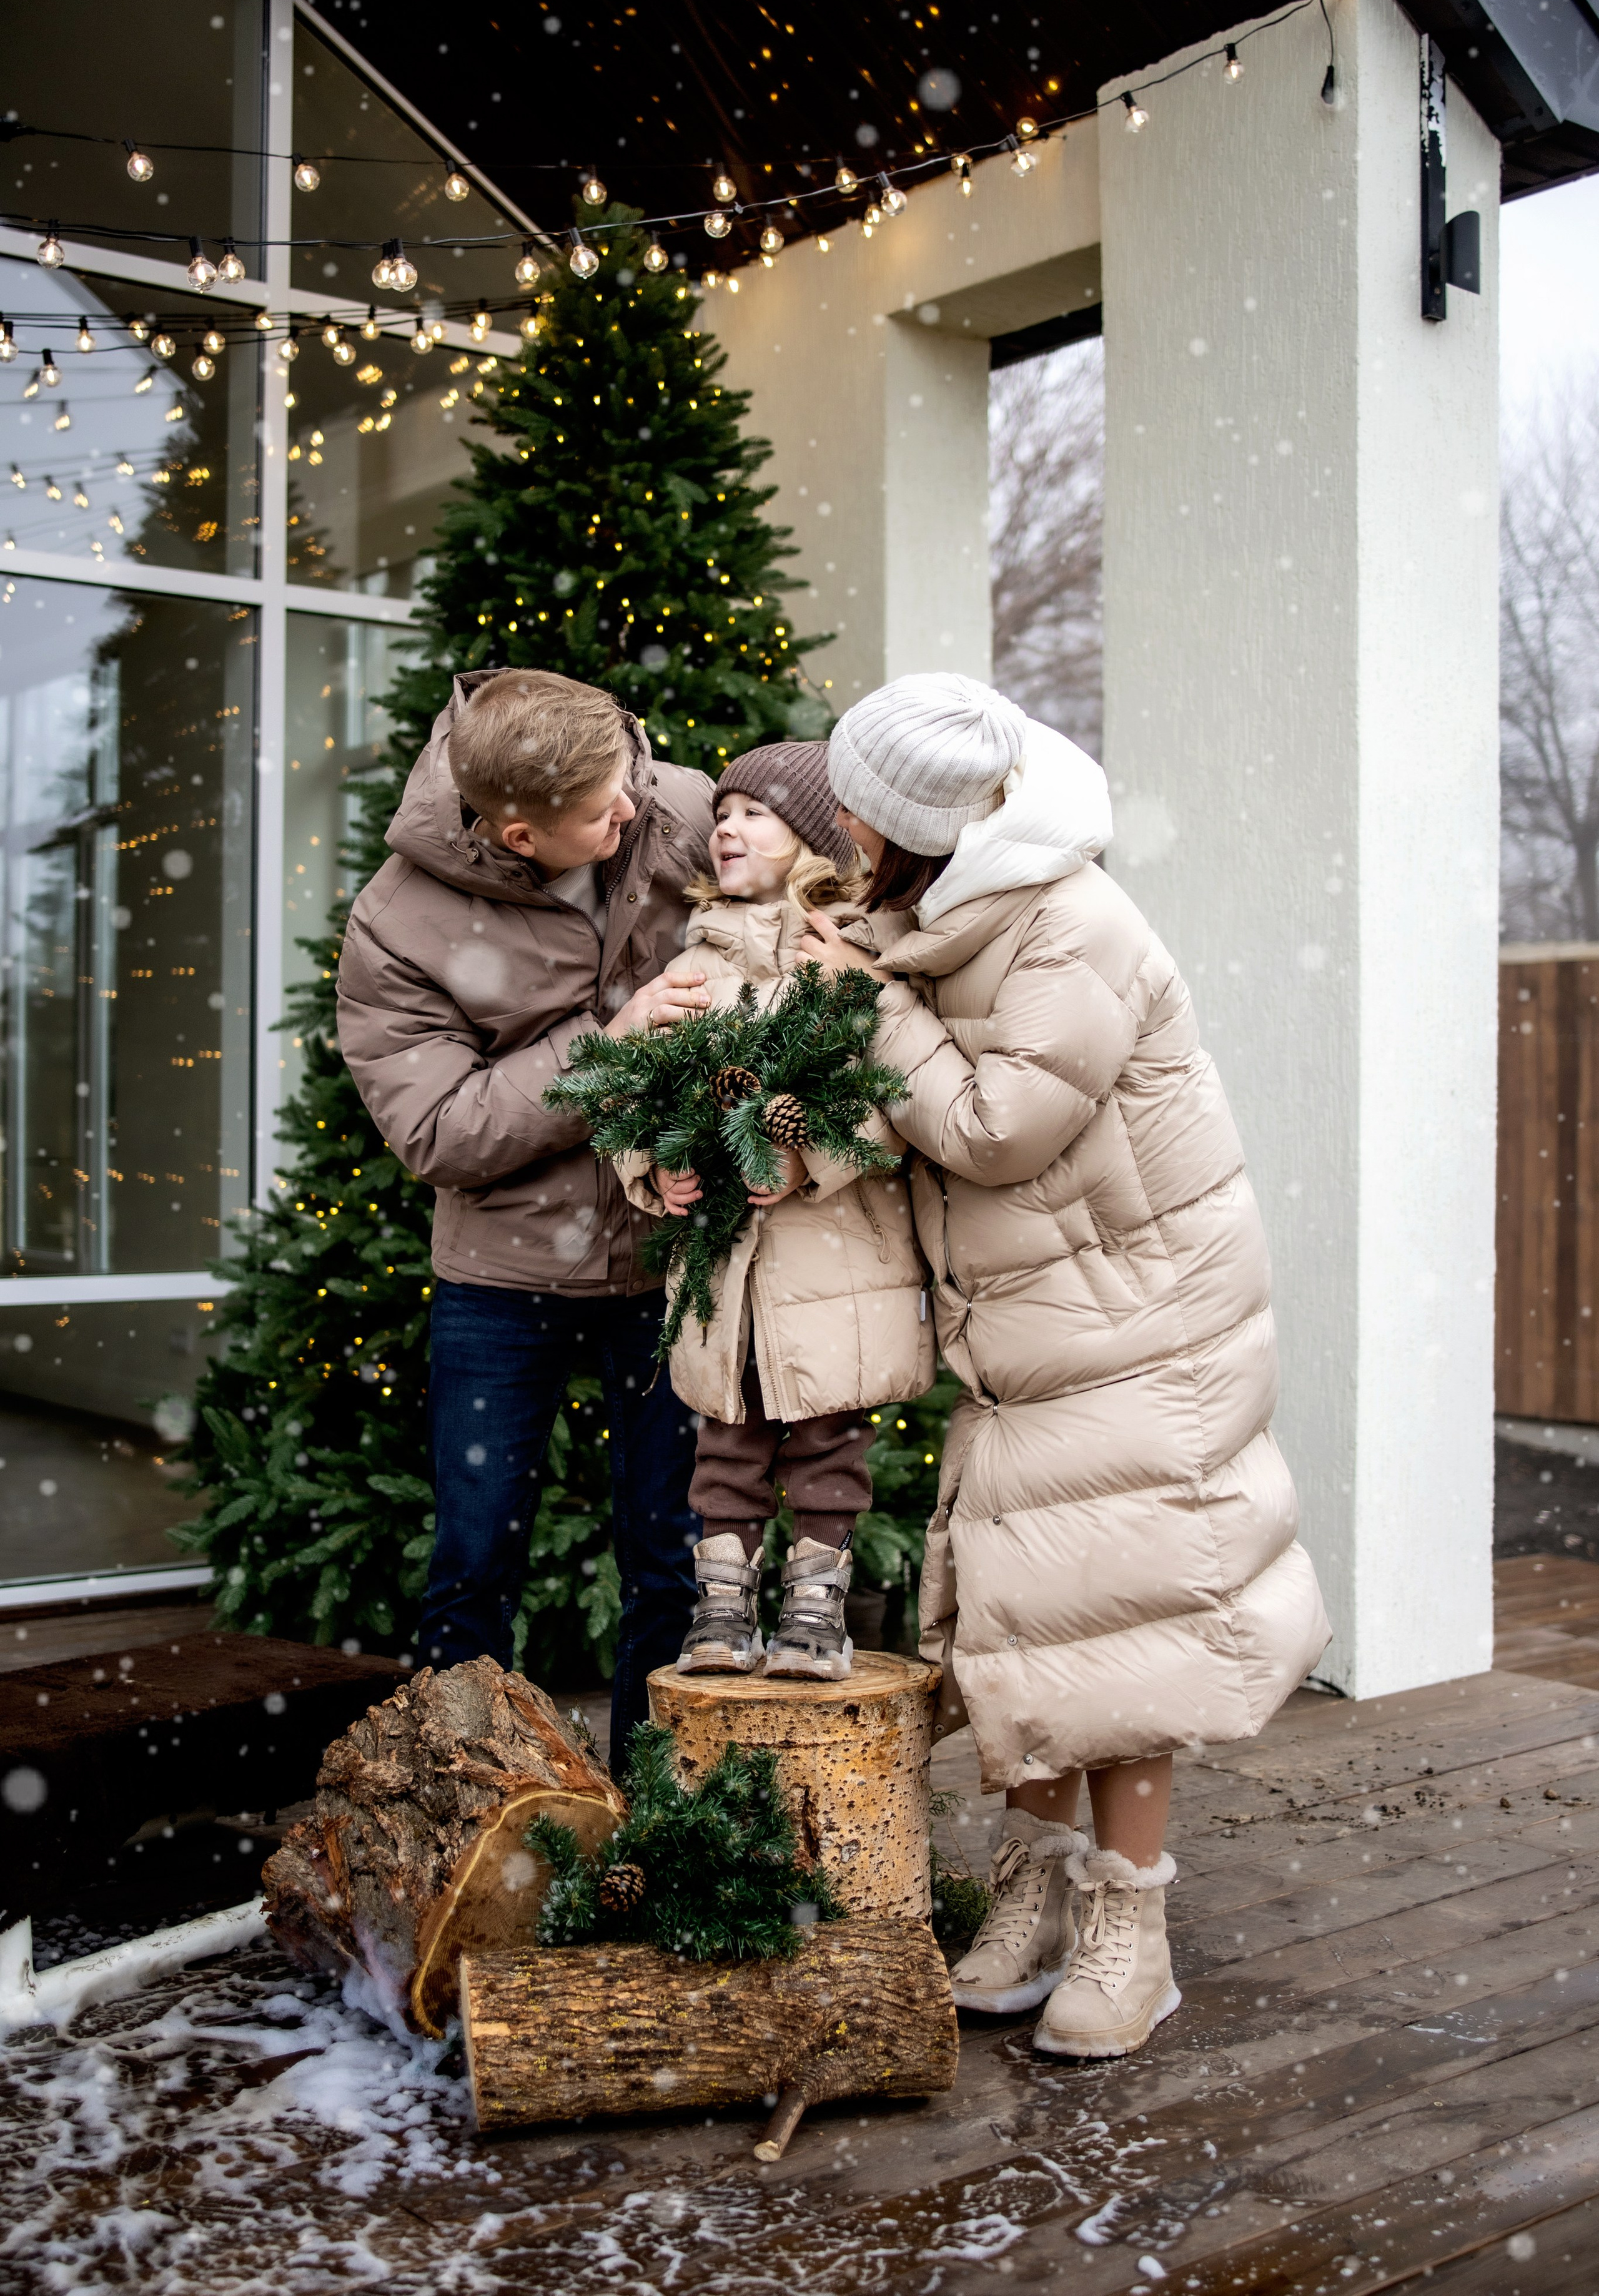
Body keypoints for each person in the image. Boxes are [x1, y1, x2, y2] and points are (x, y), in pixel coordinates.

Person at [799, 673, 1330, 2060]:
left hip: (1136, 1330)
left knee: (1119, 1629)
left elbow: (990, 1129)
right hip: (1039, 1334)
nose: (837, 830)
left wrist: (868, 1004)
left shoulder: (1071, 926)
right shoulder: (957, 898)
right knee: (1035, 1626)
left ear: (911, 823)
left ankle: (1129, 1928)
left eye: (855, 812)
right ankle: (1035, 1896)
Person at [337, 666, 715, 1753]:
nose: (635, 814)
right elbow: (439, 1132)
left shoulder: (673, 803)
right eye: (603, 814)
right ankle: (467, 1803)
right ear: (516, 834)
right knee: (473, 1559)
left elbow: (803, 911)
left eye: (629, 785)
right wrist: (611, 1043)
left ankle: (661, 1811)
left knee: (676, 1552)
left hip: (669, 1257)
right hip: (500, 1284)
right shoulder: (397, 925)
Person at [615, 743, 934, 1678]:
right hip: (724, 1262)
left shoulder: (851, 960)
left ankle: (814, 1607)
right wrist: (657, 1172)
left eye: (756, 812)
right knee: (726, 1438)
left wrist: (805, 1159)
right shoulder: (697, 966)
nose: (727, 827)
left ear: (816, 841)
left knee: (827, 1435)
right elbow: (639, 1093)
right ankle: (721, 1606)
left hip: (837, 1259)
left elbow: (893, 1105)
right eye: (722, 813)